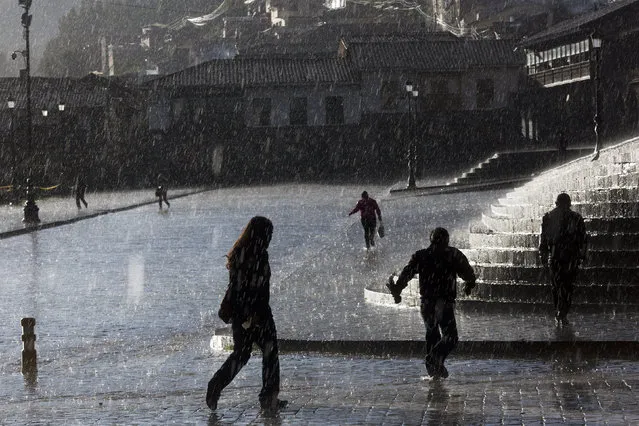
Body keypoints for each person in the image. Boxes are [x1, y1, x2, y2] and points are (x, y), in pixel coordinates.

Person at [206, 216, 286, 412]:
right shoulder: (256, 255)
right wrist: (253, 314)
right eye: (269, 233)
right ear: (261, 234)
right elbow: (250, 287)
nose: (271, 238)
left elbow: (238, 288)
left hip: (245, 313)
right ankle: (268, 397)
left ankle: (215, 386)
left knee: (242, 355)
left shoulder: (242, 253)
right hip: (257, 312)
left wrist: (243, 314)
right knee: (269, 354)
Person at [386, 227, 476, 379]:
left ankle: (434, 370)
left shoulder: (421, 255)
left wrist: (398, 289)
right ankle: (434, 359)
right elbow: (467, 272)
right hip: (443, 302)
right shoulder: (453, 254)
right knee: (450, 337)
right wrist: (469, 283)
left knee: (432, 334)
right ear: (447, 240)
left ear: (431, 240)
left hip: (426, 303)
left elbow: (407, 273)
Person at [539, 193, 587, 326]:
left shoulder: (548, 217)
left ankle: (559, 311)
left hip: (555, 256)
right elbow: (583, 239)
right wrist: (582, 256)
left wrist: (543, 255)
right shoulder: (576, 218)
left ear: (556, 203)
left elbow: (544, 239)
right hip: (571, 257)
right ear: (569, 204)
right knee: (567, 286)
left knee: (556, 285)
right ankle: (563, 312)